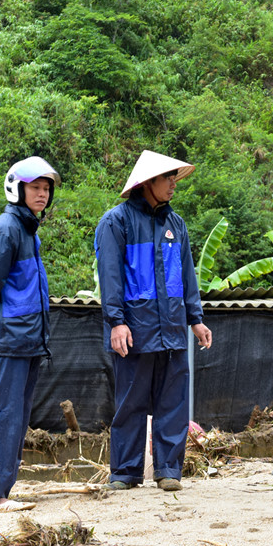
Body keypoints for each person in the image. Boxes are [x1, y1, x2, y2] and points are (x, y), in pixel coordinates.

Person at [95, 149, 213, 492]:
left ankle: (167, 472)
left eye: (175, 177)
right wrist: (116, 322)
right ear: (147, 182)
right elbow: (111, 277)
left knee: (172, 402)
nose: (173, 184)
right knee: (130, 402)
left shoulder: (176, 225)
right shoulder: (116, 222)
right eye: (167, 178)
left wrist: (196, 319)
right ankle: (126, 473)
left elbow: (187, 276)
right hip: (135, 328)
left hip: (174, 329)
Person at [0, 156, 60, 513]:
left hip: (26, 341)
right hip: (5, 339)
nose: (42, 194)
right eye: (35, 187)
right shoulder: (6, 229)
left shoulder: (27, 231)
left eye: (46, 188)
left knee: (15, 420)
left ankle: (2, 491)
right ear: (17, 189)